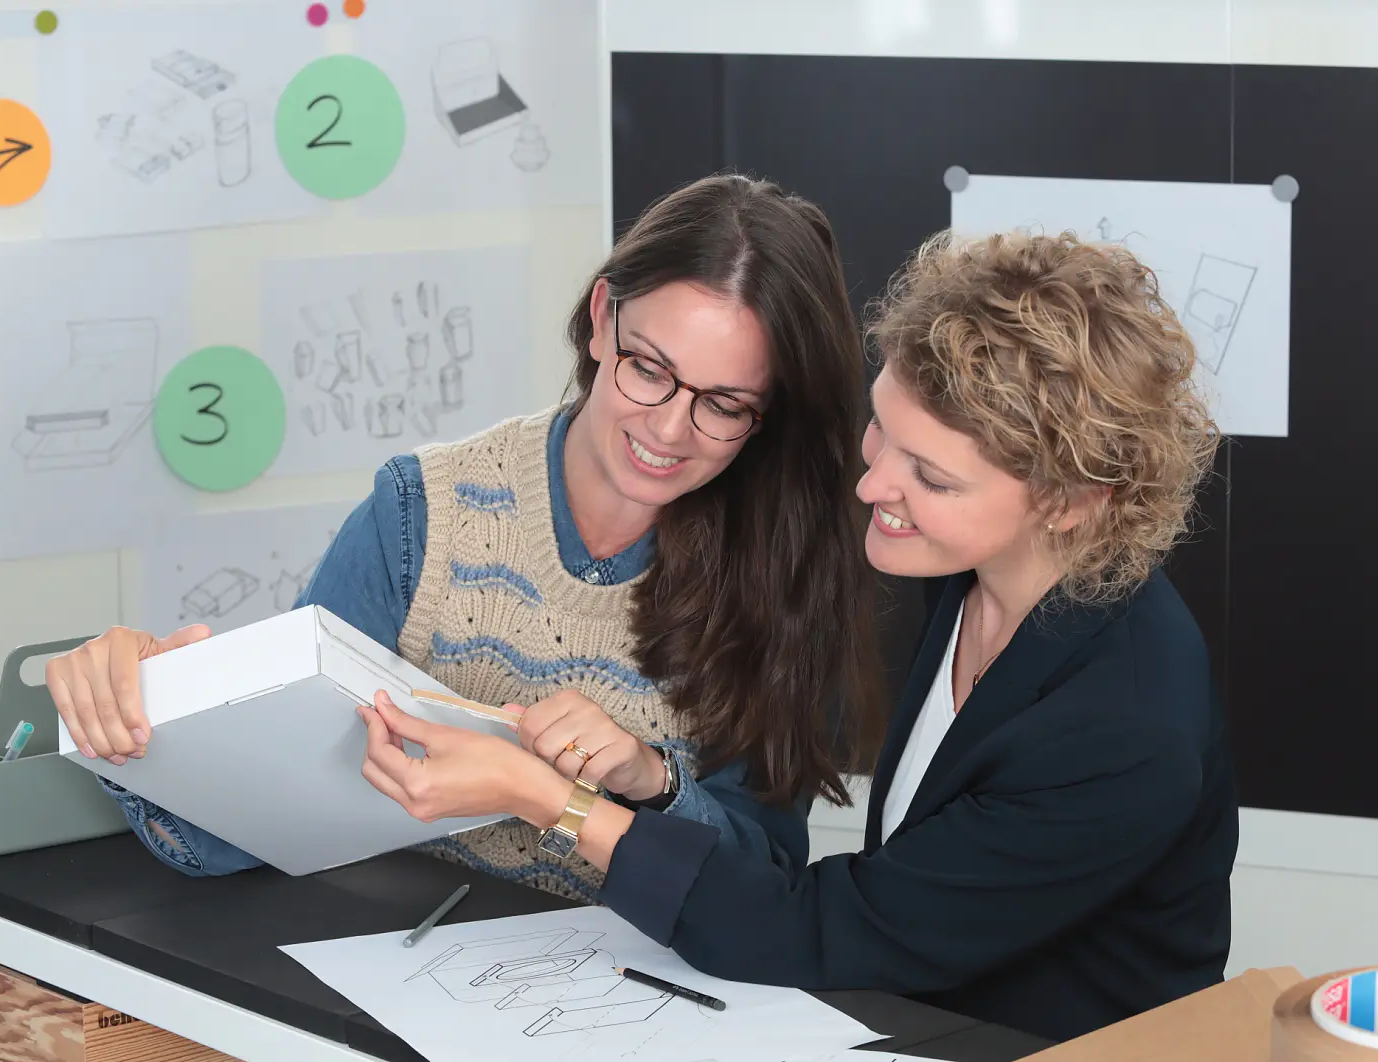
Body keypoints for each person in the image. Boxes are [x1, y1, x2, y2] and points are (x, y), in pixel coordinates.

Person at [352, 228, 1239, 1042]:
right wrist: (647, 780)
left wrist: (547, 798)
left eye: (928, 475)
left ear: (1073, 503)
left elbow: (822, 927)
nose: (872, 487)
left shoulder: (1124, 729)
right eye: (881, 433)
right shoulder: (975, 576)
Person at [44, 173, 887, 901]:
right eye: (649, 369)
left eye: (725, 405)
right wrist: (144, 711)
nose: (669, 429)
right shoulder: (421, 513)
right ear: (602, 320)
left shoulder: (786, 567)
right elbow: (256, 822)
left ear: (767, 412)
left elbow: (765, 884)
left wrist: (654, 782)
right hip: (397, 966)